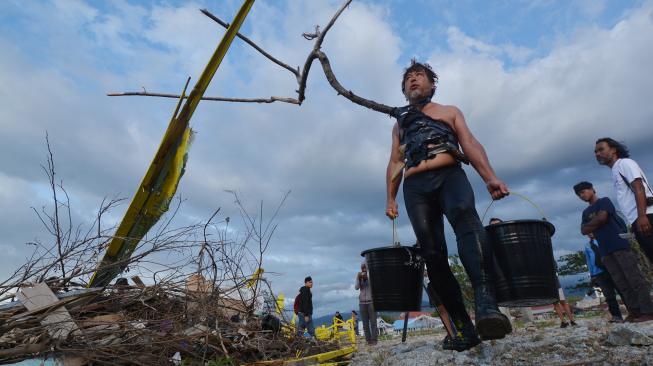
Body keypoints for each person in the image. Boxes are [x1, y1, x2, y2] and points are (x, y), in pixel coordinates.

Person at [385, 60, 511, 351]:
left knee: (465, 217)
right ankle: (463, 329)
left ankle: (486, 305)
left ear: (432, 85)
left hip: (450, 176)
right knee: (432, 253)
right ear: (404, 90)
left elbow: (470, 143)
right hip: (415, 188)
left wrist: (490, 177)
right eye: (408, 78)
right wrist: (390, 197)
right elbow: (395, 161)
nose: (413, 80)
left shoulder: (449, 112)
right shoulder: (399, 123)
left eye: (420, 76)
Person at [576, 180, 653, 322]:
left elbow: (603, 217)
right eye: (579, 194)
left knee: (634, 279)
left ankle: (648, 310)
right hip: (605, 251)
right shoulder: (585, 212)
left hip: (619, 245)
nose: (582, 195)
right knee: (621, 283)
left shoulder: (604, 201)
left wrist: (593, 224)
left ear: (592, 189)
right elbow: (583, 230)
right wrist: (597, 222)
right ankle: (634, 311)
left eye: (583, 191)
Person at [594, 138, 653, 264]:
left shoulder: (624, 164)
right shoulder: (615, 170)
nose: (597, 154)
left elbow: (639, 187)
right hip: (639, 220)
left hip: (647, 216)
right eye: (595, 152)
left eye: (601, 149)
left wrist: (642, 216)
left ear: (614, 149)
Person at [583, 236, 624, 323]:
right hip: (598, 272)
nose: (590, 233)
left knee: (622, 290)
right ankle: (616, 316)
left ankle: (633, 312)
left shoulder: (604, 239)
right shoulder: (587, 246)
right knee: (609, 295)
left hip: (611, 268)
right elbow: (589, 261)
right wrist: (592, 275)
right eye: (588, 233)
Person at [355, 262, 378, 345]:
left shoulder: (372, 275)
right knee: (365, 323)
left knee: (373, 322)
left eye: (365, 267)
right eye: (362, 267)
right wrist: (358, 278)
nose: (363, 268)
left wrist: (366, 277)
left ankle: (374, 340)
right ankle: (368, 340)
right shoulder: (359, 275)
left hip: (371, 302)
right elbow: (356, 287)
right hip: (362, 303)